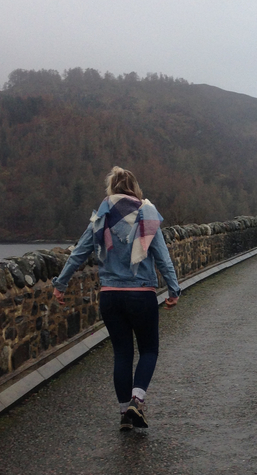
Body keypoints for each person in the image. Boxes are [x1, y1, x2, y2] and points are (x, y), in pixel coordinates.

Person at [52, 166, 181, 431]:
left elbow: (79, 253)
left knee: (122, 353)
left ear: (111, 189)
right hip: (141, 293)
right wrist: (174, 289)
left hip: (110, 296)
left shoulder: (102, 216)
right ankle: (137, 400)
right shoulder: (147, 213)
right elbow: (162, 257)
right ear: (134, 187)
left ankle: (125, 414)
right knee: (149, 350)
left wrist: (60, 285)